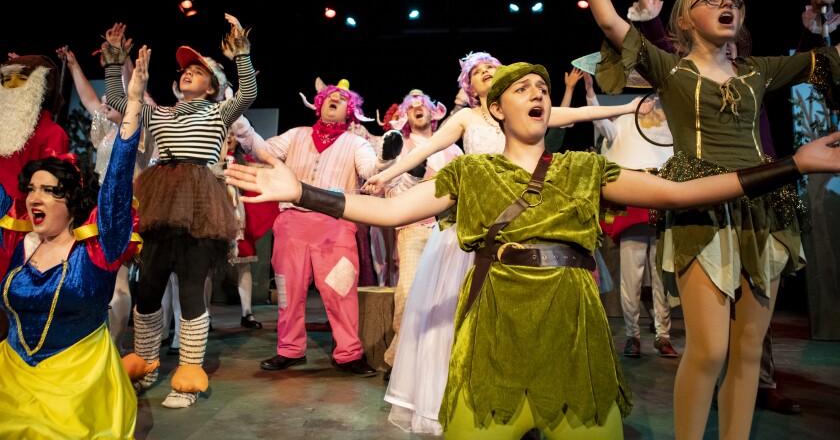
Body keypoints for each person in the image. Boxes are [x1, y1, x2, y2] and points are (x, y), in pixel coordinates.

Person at [224, 61, 840, 439]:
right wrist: (302, 189)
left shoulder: (581, 168)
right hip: (493, 334)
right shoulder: (467, 175)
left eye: (543, 87)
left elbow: (681, 193)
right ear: (494, 107)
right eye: (523, 87)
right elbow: (386, 210)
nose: (538, 92)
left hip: (574, 337)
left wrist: (793, 164)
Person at [545, 0, 840, 439]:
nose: (726, 4)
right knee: (709, 349)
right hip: (701, 205)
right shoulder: (672, 69)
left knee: (749, 351)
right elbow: (611, 21)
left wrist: (823, 15)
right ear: (685, 17)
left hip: (765, 207)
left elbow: (825, 58)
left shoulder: (758, 71)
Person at [364, 51, 639, 435]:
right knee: (465, 320)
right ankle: (475, 395)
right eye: (479, 72)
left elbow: (576, 115)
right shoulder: (466, 119)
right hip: (482, 225)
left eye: (493, 68)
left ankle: (538, 395)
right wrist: (388, 174)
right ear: (476, 90)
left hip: (534, 217)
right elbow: (426, 151)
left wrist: (627, 107)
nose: (488, 74)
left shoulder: (533, 115)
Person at [0, 45, 150, 439]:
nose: (35, 198)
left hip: (76, 389)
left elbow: (116, 183)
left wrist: (133, 107)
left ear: (72, 203)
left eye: (49, 191)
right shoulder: (21, 244)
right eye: (31, 189)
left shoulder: (95, 250)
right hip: (10, 380)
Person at [108, 16, 257, 409]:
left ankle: (189, 374)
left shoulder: (218, 112)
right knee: (148, 290)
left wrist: (241, 54)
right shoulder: (162, 114)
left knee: (191, 290)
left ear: (212, 86)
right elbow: (123, 104)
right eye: (186, 71)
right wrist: (112, 63)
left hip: (198, 205)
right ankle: (148, 363)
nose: (189, 74)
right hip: (161, 201)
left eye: (198, 71)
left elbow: (247, 96)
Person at [231, 78, 401, 377]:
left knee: (340, 290)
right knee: (289, 290)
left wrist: (385, 158)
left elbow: (369, 170)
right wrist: (240, 123)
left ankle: (348, 353)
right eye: (330, 96)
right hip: (292, 224)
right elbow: (263, 152)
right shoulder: (296, 135)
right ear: (319, 103)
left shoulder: (356, 143)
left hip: (335, 225)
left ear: (351, 110)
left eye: (342, 98)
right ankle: (289, 349)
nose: (335, 99)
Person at [58, 45, 158, 354]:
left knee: (119, 280)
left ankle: (114, 346)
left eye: (110, 99)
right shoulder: (105, 129)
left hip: (127, 209)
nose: (104, 102)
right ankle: (96, 340)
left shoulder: (140, 127)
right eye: (104, 100)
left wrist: (122, 60)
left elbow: (133, 86)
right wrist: (74, 63)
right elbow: (89, 98)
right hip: (98, 209)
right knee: (99, 277)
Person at [583, 72, 677, 358]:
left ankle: (663, 335)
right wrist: (589, 90)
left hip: (663, 196)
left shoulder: (670, 125)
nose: (652, 101)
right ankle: (632, 335)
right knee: (632, 275)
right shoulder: (621, 122)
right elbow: (599, 120)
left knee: (662, 273)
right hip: (633, 199)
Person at [381, 89, 462, 377]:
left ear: (432, 113)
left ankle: (442, 359)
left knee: (449, 294)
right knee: (407, 291)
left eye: (422, 105)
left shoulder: (453, 149)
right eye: (411, 106)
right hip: (414, 227)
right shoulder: (400, 148)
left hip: (449, 229)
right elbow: (390, 191)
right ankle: (399, 358)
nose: (417, 108)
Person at [0, 54, 69, 279]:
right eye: (5, 80)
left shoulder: (52, 134)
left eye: (17, 79)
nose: (9, 87)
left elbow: (53, 194)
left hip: (21, 231)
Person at [223, 128, 278, 329]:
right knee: (207, 268)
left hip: (238, 217)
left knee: (243, 263)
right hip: (212, 216)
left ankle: (247, 313)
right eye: (225, 133)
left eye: (232, 134)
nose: (229, 137)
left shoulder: (244, 161)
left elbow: (268, 171)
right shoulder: (208, 159)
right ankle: (206, 315)